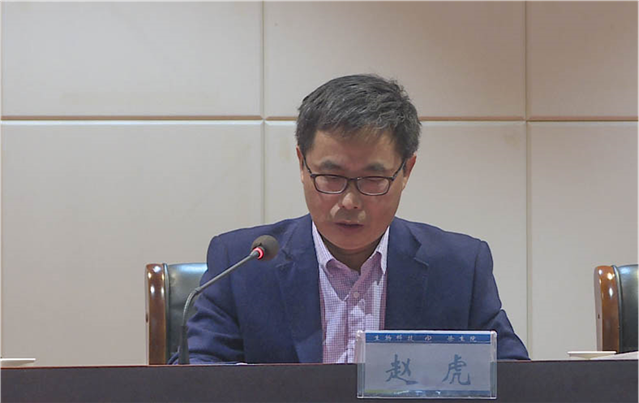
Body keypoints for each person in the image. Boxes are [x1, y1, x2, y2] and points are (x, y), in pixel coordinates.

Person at [176, 74, 529, 364]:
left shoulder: (459, 267)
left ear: (406, 170)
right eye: (331, 177)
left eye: (373, 179)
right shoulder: (241, 264)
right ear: (302, 164)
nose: (349, 202)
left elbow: (511, 377)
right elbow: (196, 375)